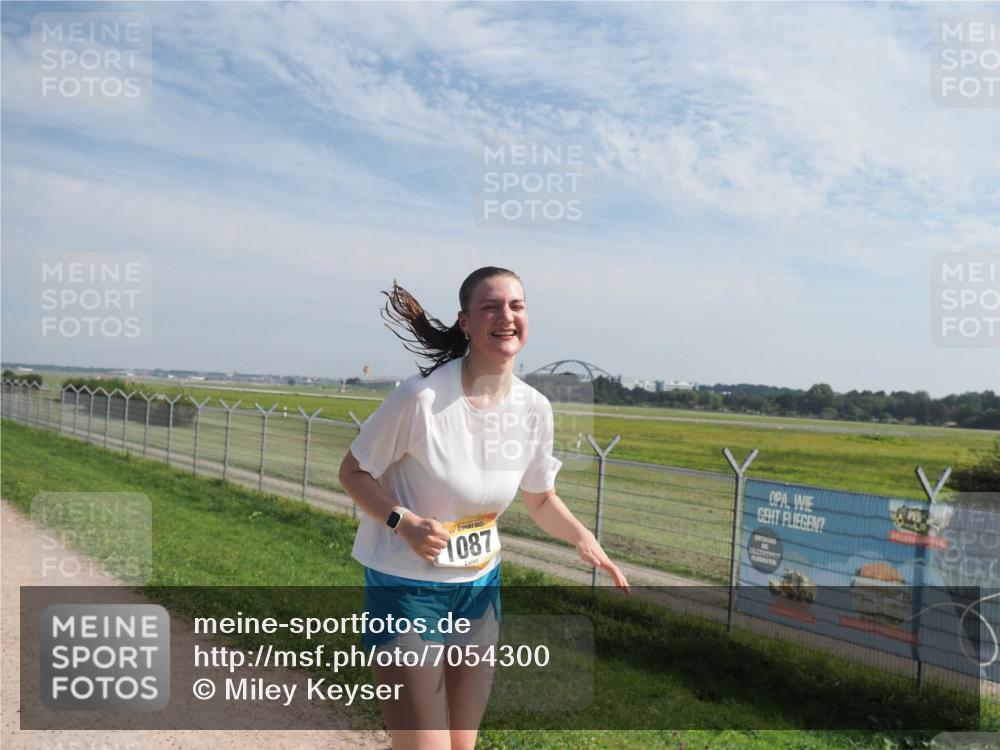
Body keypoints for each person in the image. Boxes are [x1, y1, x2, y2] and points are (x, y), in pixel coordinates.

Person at [338, 266, 629, 750]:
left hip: (478, 594)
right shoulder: (420, 398)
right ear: (465, 322)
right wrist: (404, 522)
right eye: (490, 306)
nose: (506, 316)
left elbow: (540, 496)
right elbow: (352, 473)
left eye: (517, 305)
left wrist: (583, 537)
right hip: (407, 592)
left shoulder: (534, 408)